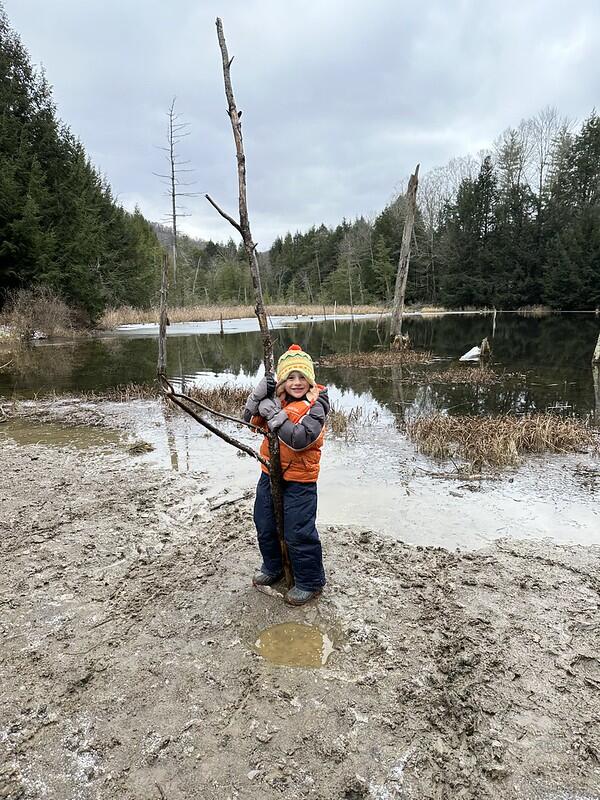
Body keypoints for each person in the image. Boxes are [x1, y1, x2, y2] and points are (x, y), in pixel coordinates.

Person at [243, 344, 330, 606]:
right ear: (281, 380)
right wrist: (257, 397)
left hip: (300, 481)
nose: (296, 382)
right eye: (290, 377)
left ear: (310, 379)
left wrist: (273, 414)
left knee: (298, 532)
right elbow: (249, 420)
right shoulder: (276, 399)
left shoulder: (318, 404)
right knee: (265, 523)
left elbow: (300, 439)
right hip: (269, 474)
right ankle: (274, 567)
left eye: (302, 376)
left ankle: (310, 582)